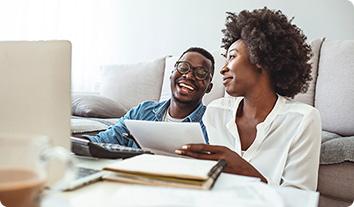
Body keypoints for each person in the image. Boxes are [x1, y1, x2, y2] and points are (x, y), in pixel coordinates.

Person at [176, 7, 321, 191]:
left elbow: (300, 200)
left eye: (232, 57)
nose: (223, 69)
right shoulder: (216, 112)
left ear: (259, 58)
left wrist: (245, 171)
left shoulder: (303, 119)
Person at [87, 47, 214, 147]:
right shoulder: (142, 112)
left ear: (209, 87)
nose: (189, 75)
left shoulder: (212, 122)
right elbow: (102, 141)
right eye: (183, 67)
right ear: (172, 74)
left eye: (201, 73)